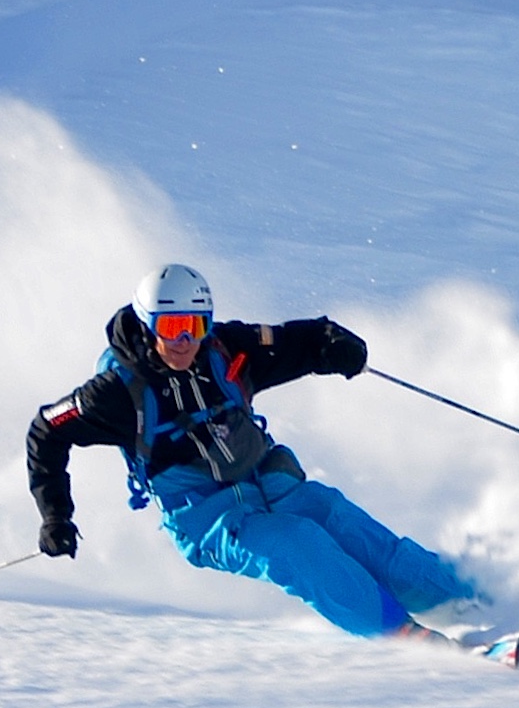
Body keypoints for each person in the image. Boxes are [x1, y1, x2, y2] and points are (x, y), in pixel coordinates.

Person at [26, 263, 480, 641]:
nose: (185, 341)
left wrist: (335, 346)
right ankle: (406, 637)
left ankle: (475, 604)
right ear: (148, 327)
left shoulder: (226, 350)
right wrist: (55, 517)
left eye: (195, 326)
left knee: (345, 525)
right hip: (209, 517)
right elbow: (46, 432)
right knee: (299, 546)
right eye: (172, 328)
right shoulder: (115, 393)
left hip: (272, 482)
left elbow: (298, 341)